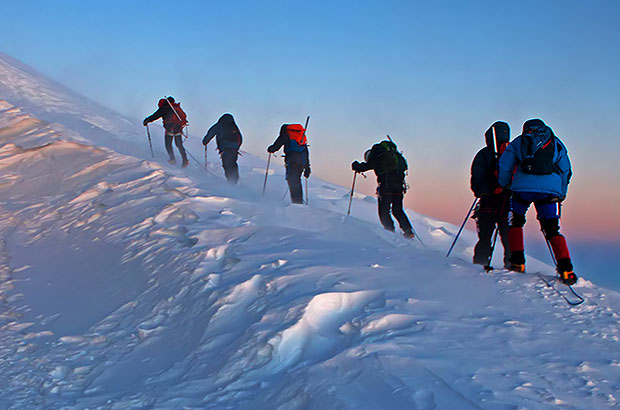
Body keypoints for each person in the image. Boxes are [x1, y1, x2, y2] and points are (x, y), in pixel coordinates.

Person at [498, 118, 577, 285]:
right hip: (549, 192)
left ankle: (517, 262)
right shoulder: (555, 142)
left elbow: (505, 164)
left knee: (516, 222)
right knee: (552, 229)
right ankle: (566, 268)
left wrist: (505, 184)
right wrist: (561, 192)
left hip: (522, 190)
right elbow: (566, 170)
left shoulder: (519, 142)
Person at [470, 121, 512, 270]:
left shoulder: (483, 154)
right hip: (508, 201)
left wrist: (482, 191)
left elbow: (476, 178)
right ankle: (513, 266)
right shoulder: (511, 152)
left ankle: (480, 264)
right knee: (509, 236)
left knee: (486, 234)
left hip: (488, 200)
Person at [351, 139, 414, 238]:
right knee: (397, 210)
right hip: (399, 186)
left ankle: (390, 233)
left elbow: (370, 165)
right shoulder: (394, 154)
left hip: (386, 186)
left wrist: (358, 166)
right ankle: (408, 232)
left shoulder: (376, 151)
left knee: (384, 212)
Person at [267, 124, 311, 204]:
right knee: (296, 180)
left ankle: (296, 203)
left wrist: (271, 149)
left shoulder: (286, 134)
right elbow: (305, 151)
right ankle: (298, 201)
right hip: (301, 162)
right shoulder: (300, 136)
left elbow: (276, 145)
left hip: (292, 161)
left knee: (292, 180)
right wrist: (307, 167)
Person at [143, 96, 189, 167]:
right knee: (179, 144)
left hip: (170, 127)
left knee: (168, 144)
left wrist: (147, 120)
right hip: (178, 128)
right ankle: (185, 160)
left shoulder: (164, 108)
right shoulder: (176, 108)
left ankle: (172, 159)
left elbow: (155, 116)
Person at [202, 114, 243, 184]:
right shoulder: (234, 126)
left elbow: (211, 133)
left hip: (225, 148)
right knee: (233, 163)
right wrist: (236, 147)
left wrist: (205, 141)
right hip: (234, 149)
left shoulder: (219, 125)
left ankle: (231, 182)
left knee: (227, 164)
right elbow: (240, 138)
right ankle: (234, 180)